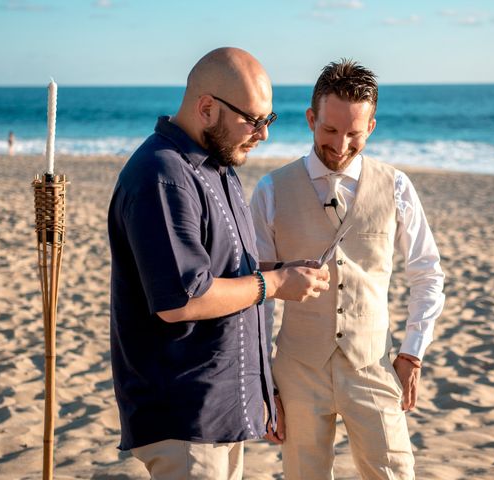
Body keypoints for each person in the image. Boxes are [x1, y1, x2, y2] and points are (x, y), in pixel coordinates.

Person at [107, 47, 329, 480]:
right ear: (206, 107)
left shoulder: (218, 166)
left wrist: (262, 387)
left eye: (270, 119)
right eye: (254, 120)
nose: (264, 134)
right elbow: (183, 298)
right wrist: (276, 283)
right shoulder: (162, 175)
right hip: (185, 415)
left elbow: (232, 274)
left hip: (221, 410)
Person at [250, 59, 445, 479]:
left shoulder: (396, 186)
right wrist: (265, 381)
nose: (340, 145)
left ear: (371, 127)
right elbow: (258, 295)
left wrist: (412, 353)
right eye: (330, 131)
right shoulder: (270, 191)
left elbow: (427, 273)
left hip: (373, 365)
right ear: (310, 119)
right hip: (298, 370)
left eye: (355, 133)